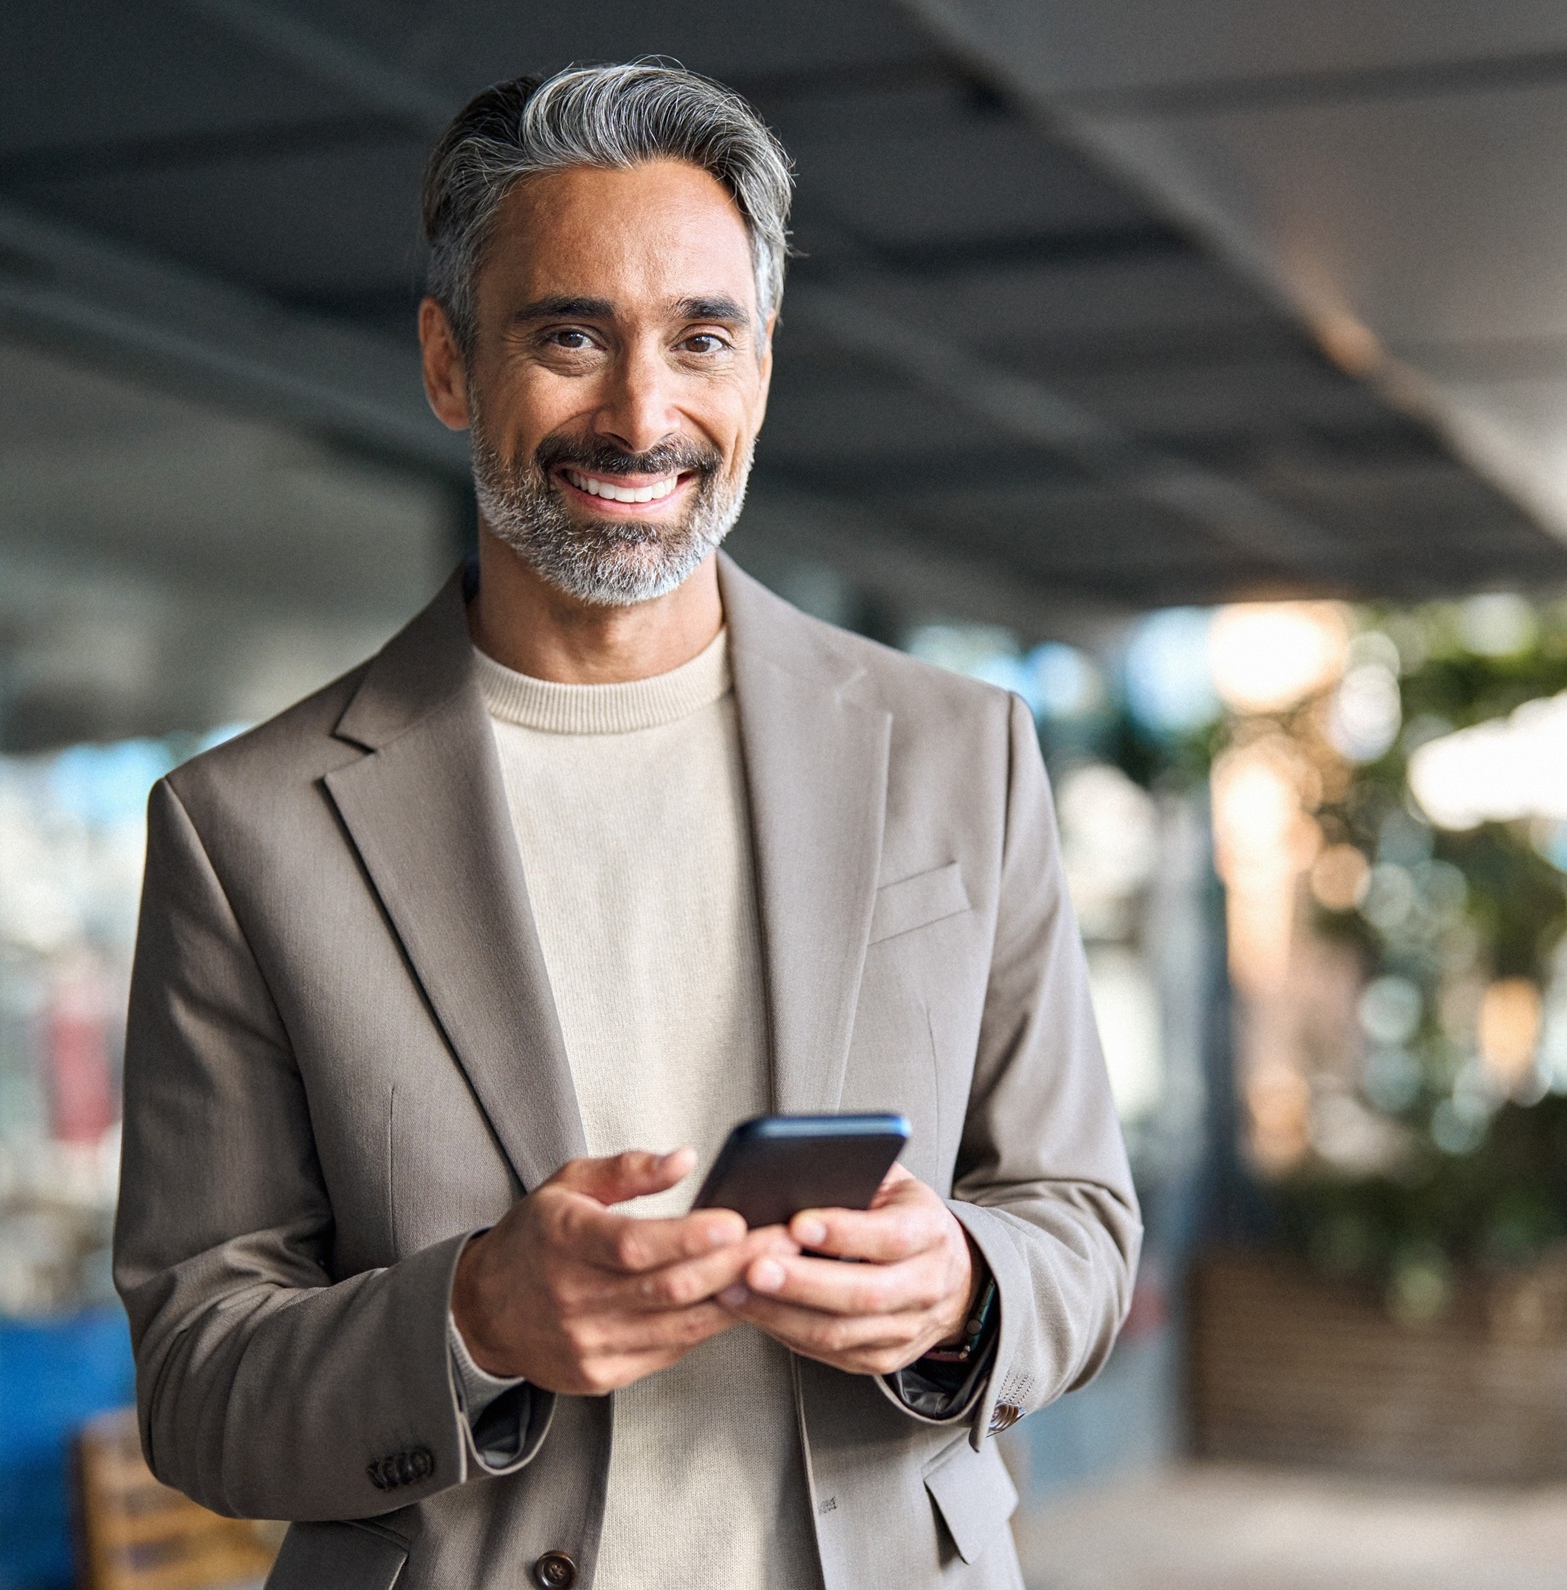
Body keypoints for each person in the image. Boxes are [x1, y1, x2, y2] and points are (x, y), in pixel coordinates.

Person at [114, 61, 1141, 1590]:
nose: (640, 413)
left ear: (762, 370)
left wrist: (963, 1286)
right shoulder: (242, 826)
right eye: (569, 334)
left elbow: (1083, 1225)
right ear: (449, 364)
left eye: (699, 339)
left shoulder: (957, 755)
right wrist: (472, 1321)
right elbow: (199, 1378)